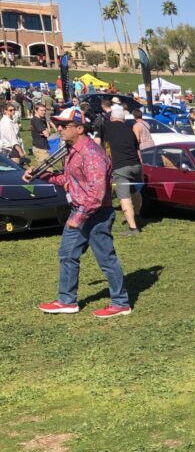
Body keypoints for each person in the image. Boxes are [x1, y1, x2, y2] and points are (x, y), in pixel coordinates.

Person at [28, 108, 130, 318]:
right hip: (80, 211)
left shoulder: (91, 154)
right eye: (58, 125)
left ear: (80, 128)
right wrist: (41, 175)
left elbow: (97, 193)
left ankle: (121, 303)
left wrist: (79, 217)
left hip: (96, 214)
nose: (59, 129)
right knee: (67, 254)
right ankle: (67, 301)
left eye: (64, 125)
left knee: (106, 259)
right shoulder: (72, 151)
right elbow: (69, 179)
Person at [102, 105, 143, 235]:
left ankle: (133, 228)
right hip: (135, 165)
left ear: (111, 118)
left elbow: (98, 140)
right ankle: (137, 214)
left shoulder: (107, 126)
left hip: (120, 167)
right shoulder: (130, 130)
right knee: (135, 192)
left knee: (124, 198)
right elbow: (137, 150)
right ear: (123, 119)